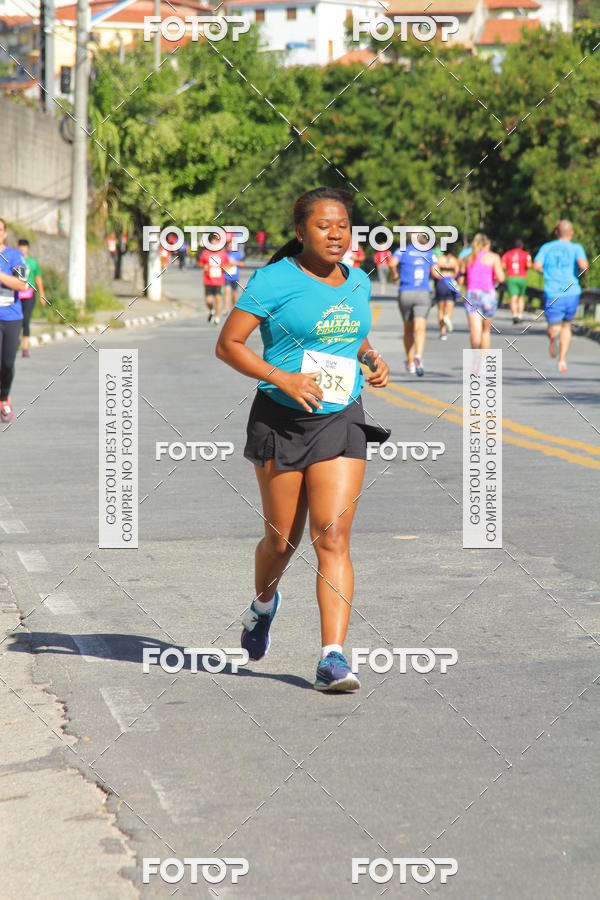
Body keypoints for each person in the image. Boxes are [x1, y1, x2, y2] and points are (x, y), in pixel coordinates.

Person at [215, 187, 391, 692]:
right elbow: (228, 344)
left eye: (343, 225)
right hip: (281, 420)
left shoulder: (357, 280)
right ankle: (263, 604)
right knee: (281, 540)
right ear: (300, 232)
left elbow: (349, 333)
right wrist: (284, 378)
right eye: (323, 225)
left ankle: (332, 657)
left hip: (341, 419)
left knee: (331, 537)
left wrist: (370, 359)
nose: (335, 234)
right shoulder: (274, 281)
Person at [533, 220, 588, 373]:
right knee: (567, 325)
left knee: (553, 326)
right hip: (572, 291)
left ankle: (553, 335)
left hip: (552, 291)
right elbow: (583, 265)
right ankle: (562, 360)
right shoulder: (577, 248)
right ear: (572, 233)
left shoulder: (547, 247)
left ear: (556, 232)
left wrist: (545, 272)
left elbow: (536, 265)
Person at [388, 232, 434, 376]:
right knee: (420, 329)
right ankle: (418, 357)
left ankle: (410, 363)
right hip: (423, 293)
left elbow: (391, 263)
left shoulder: (402, 250)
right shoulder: (428, 253)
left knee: (408, 330)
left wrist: (395, 275)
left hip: (406, 292)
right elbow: (435, 272)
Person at [0, 219, 28, 424]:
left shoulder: (15, 256)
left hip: (11, 317)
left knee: (7, 363)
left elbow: (21, 284)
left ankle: (4, 394)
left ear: (5, 233)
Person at [463, 233, 504, 349]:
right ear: (487, 245)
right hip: (488, 295)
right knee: (486, 331)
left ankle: (474, 363)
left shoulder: (469, 258)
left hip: (473, 295)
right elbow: (501, 278)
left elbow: (462, 277)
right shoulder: (494, 257)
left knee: (475, 330)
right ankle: (483, 363)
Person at [17, 239, 45, 358]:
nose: (22, 249)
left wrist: (42, 295)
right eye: (20, 247)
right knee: (17, 319)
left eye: (24, 247)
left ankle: (26, 347)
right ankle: (16, 340)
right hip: (16, 294)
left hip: (29, 294)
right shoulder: (15, 261)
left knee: (26, 319)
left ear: (28, 248)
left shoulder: (33, 262)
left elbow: (38, 278)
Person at [199, 238, 230, 326]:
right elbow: (200, 264)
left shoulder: (223, 254)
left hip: (219, 281)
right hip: (208, 280)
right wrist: (203, 266)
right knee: (208, 301)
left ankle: (217, 317)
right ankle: (211, 310)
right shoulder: (205, 253)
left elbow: (227, 264)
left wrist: (225, 268)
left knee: (218, 299)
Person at [432, 249, 460, 340]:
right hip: (451, 283)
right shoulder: (454, 260)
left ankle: (442, 332)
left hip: (441, 283)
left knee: (440, 309)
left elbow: (434, 272)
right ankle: (447, 317)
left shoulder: (439, 259)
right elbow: (457, 272)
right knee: (449, 306)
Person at [502, 239, 531, 324]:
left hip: (511, 277)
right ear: (522, 246)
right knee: (521, 297)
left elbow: (503, 266)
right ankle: (520, 315)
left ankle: (514, 315)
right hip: (522, 277)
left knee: (513, 297)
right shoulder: (526, 254)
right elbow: (529, 265)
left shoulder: (507, 254)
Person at [223, 237, 245, 317]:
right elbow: (221, 264)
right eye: (228, 246)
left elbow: (243, 264)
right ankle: (225, 309)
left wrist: (235, 263)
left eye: (231, 245)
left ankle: (233, 309)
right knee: (226, 292)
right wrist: (226, 265)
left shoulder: (238, 254)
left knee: (234, 294)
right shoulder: (224, 254)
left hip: (235, 277)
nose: (230, 247)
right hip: (226, 276)